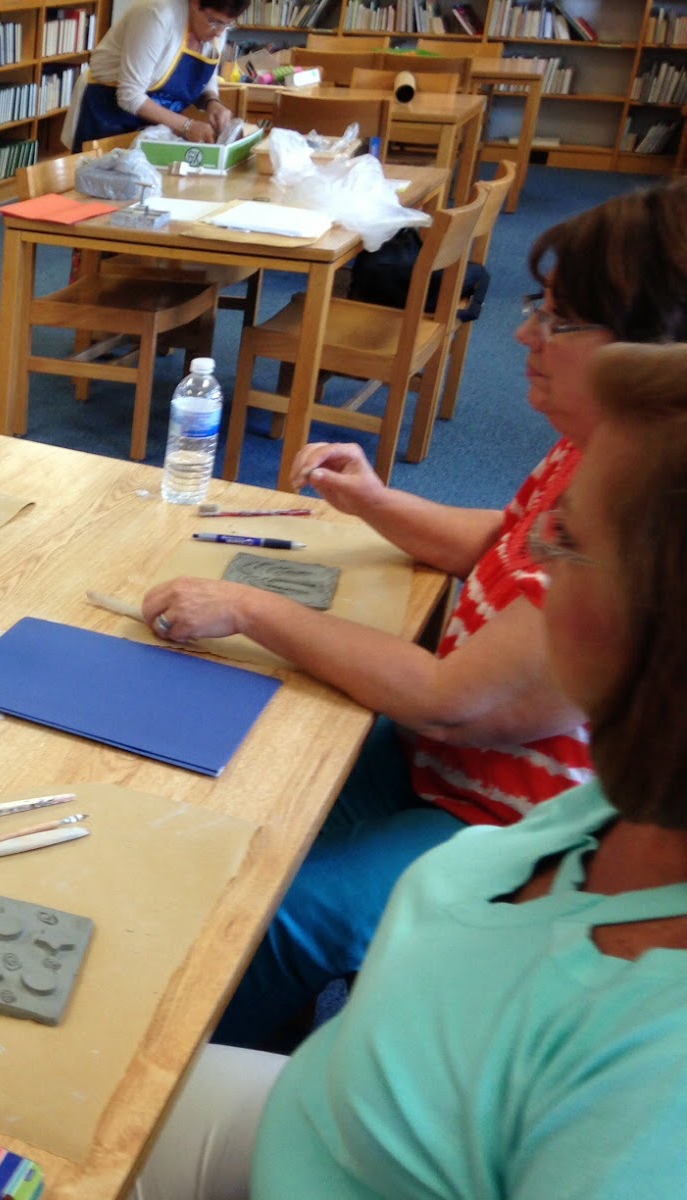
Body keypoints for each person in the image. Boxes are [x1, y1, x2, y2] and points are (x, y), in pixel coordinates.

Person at [139, 176, 687, 1048]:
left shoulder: (637, 529)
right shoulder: (591, 453)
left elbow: (450, 699)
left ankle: (179, 1067)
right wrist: (375, 502)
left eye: (558, 321)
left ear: (652, 354)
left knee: (270, 917)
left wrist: (248, 607)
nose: (524, 333)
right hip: (437, 765)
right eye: (537, 309)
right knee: (240, 783)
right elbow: (500, 540)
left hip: (496, 822)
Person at [136, 340, 687, 1200]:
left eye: (569, 542)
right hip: (331, 1120)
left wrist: (250, 607)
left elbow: (449, 700)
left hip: (319, 1150)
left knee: (228, 940)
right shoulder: (613, 812)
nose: (533, 559)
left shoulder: (656, 1079)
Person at [66, 0, 244, 152]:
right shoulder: (156, 15)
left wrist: (212, 102)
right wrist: (187, 126)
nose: (219, 32)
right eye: (215, 22)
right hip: (107, 113)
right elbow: (130, 96)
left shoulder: (216, 28)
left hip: (154, 125)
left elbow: (203, 78)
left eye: (228, 24)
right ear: (195, 3)